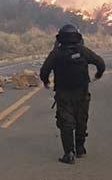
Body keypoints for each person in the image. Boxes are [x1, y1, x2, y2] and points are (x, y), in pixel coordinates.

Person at [40, 24, 106, 165]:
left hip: (63, 93)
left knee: (66, 122)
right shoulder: (83, 51)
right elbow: (100, 63)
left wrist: (46, 82)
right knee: (82, 119)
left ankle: (69, 153)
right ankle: (80, 148)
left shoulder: (56, 54)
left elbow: (44, 71)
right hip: (82, 92)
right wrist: (98, 74)